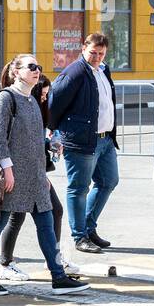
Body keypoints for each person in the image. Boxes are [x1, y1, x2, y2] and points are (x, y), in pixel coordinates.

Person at [0, 55, 90, 296]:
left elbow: (33, 138)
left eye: (38, 67)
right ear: (16, 72)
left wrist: (50, 148)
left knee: (46, 224)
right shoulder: (6, 99)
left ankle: (58, 277)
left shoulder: (31, 100)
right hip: (12, 177)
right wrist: (7, 170)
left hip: (35, 176)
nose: (37, 70)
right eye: (31, 67)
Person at [0, 68, 78, 282]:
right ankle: (5, 264)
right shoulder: (16, 102)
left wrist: (51, 143)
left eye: (46, 95)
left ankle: (54, 260)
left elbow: (36, 141)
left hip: (34, 173)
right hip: (21, 172)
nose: (44, 98)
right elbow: (11, 142)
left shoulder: (36, 108)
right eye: (42, 94)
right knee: (15, 217)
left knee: (53, 212)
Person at [49, 33, 119, 255]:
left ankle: (89, 227)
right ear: (83, 49)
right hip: (81, 140)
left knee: (108, 181)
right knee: (79, 188)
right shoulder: (75, 72)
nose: (97, 57)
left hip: (105, 139)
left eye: (101, 53)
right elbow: (54, 102)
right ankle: (80, 236)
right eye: (93, 53)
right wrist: (54, 131)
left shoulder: (103, 69)